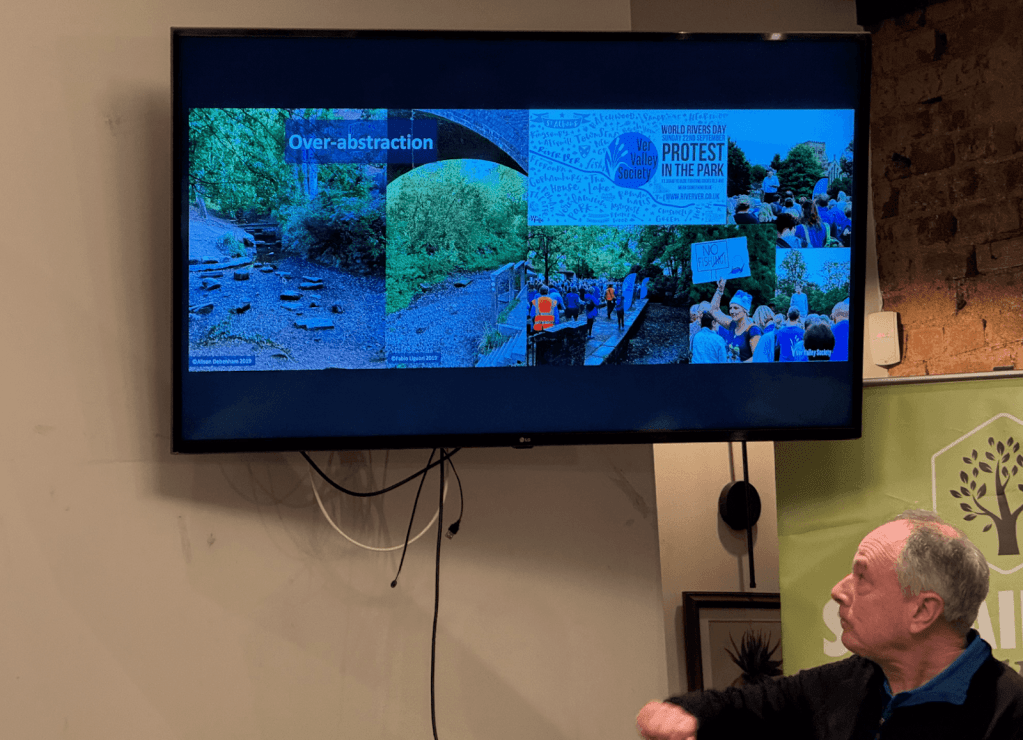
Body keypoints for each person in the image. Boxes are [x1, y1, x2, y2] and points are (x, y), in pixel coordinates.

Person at [636, 510, 1023, 740]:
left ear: (922, 611)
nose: (839, 590)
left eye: (862, 577)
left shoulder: (1007, 713)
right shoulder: (846, 683)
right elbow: (742, 708)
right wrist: (679, 712)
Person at [708, 279, 761, 362]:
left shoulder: (753, 330)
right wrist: (720, 290)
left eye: (736, 308)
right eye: (730, 308)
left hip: (745, 370)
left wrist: (738, 367)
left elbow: (757, 357)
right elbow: (713, 310)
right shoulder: (732, 325)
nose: (732, 311)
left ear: (745, 310)